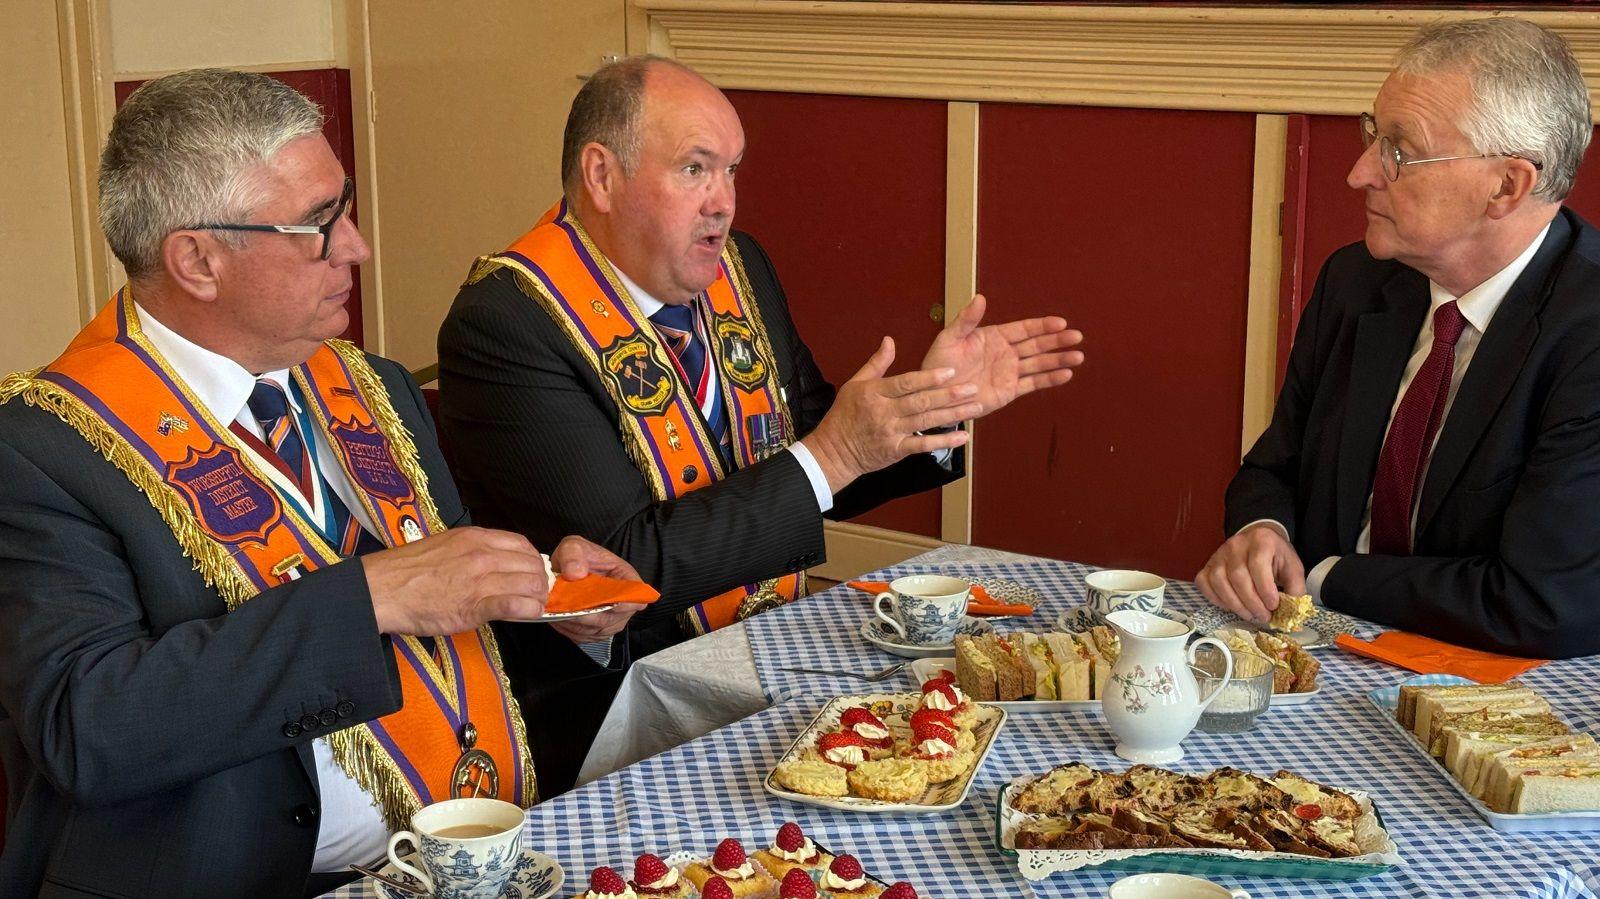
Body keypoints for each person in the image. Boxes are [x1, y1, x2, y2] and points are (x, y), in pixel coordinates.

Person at [0, 69, 639, 897]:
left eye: (345, 208)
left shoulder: (373, 387)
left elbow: (441, 625)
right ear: (197, 259)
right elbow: (87, 726)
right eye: (318, 224)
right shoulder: (44, 447)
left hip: (462, 852)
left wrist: (551, 604)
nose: (358, 246)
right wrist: (367, 596)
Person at [438, 55, 1085, 792]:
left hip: (760, 658)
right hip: (610, 715)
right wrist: (833, 453)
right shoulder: (508, 324)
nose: (724, 203)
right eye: (695, 170)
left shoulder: (737, 268)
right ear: (602, 175)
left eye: (732, 171)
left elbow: (809, 439)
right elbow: (627, 561)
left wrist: (932, 406)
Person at [1197, 18, 1600, 659]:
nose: (1361, 172)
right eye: (1372, 136)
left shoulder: (1587, 337)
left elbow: (1541, 604)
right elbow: (1276, 465)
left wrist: (1325, 576)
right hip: (1311, 659)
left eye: (1400, 152)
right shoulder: (1358, 281)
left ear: (1507, 186)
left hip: (1495, 690)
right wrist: (1261, 529)